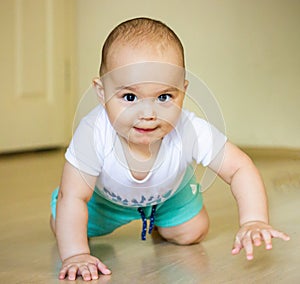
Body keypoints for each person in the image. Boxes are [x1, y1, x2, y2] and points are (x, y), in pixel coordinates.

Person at [50, 17, 290, 281]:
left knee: (193, 232)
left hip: (167, 197)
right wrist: (75, 254)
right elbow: (74, 197)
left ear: (183, 92)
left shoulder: (189, 128)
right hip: (103, 202)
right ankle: (69, 226)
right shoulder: (92, 132)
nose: (149, 114)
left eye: (164, 97)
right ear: (101, 91)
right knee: (65, 222)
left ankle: (156, 222)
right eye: (130, 97)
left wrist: (253, 220)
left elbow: (239, 167)